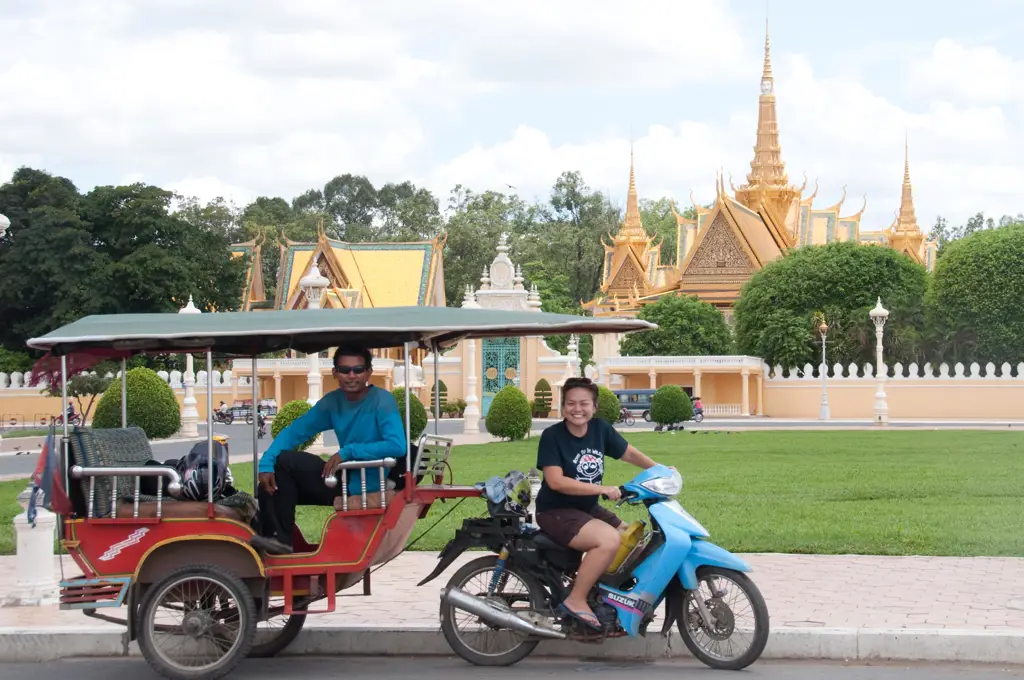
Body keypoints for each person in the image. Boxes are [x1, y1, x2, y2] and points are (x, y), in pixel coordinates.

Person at [534, 376, 663, 630]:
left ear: (594, 407)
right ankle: (577, 599)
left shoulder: (600, 429)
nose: (577, 409)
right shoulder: (552, 436)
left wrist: (659, 469)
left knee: (631, 538)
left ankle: (599, 593)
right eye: (571, 403)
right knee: (608, 540)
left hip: (586, 508)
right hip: (556, 511)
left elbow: (628, 453)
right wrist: (602, 488)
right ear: (563, 407)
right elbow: (556, 481)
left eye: (584, 403)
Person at [252, 345, 406, 554]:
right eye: (345, 370)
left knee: (284, 464)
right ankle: (278, 544)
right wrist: (266, 463)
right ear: (335, 373)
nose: (351, 375)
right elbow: (296, 431)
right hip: (343, 476)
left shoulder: (382, 400)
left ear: (369, 372)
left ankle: (278, 545)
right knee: (275, 474)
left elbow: (397, 445)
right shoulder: (333, 402)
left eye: (358, 369)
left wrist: (348, 452)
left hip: (365, 480)